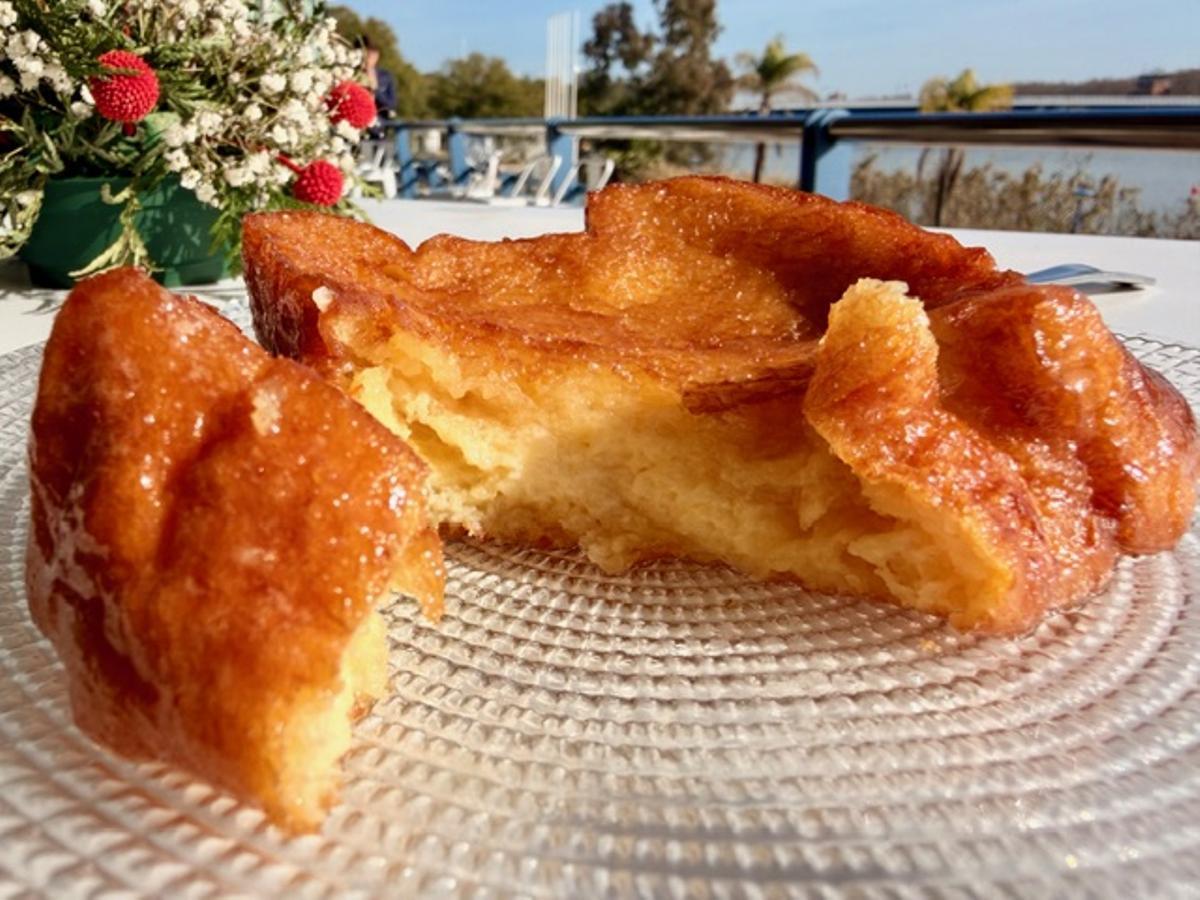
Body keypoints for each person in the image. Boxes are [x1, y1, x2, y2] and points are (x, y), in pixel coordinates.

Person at [362, 36, 396, 123]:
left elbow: (391, 104)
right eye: (368, 55)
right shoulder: (351, 74)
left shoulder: (385, 76)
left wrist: (376, 90)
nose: (369, 58)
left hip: (379, 126)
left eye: (372, 55)